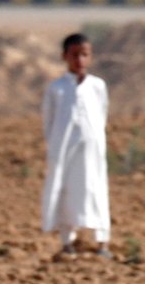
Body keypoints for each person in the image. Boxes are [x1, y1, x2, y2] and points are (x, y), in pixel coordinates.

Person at [40, 32, 112, 259]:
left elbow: (101, 115)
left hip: (92, 152)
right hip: (64, 152)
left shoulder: (97, 86)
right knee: (65, 191)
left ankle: (102, 243)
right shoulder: (57, 88)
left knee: (96, 190)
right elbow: (49, 121)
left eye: (84, 55)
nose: (79, 60)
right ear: (64, 56)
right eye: (74, 55)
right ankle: (67, 243)